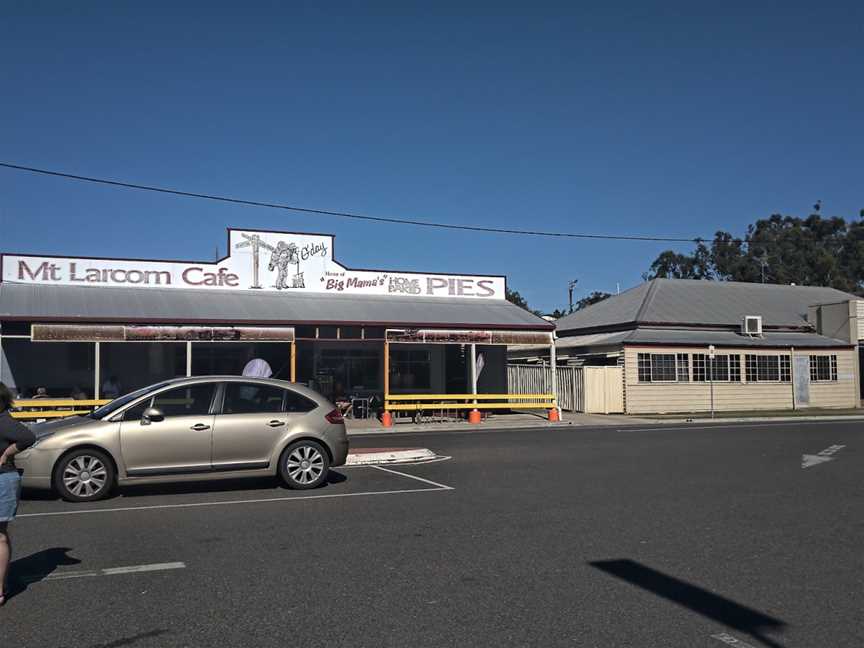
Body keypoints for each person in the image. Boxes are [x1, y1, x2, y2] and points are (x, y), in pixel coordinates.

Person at [0, 382, 36, 606]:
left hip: (2, 479)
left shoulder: (3, 420)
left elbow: (28, 437)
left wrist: (5, 453)